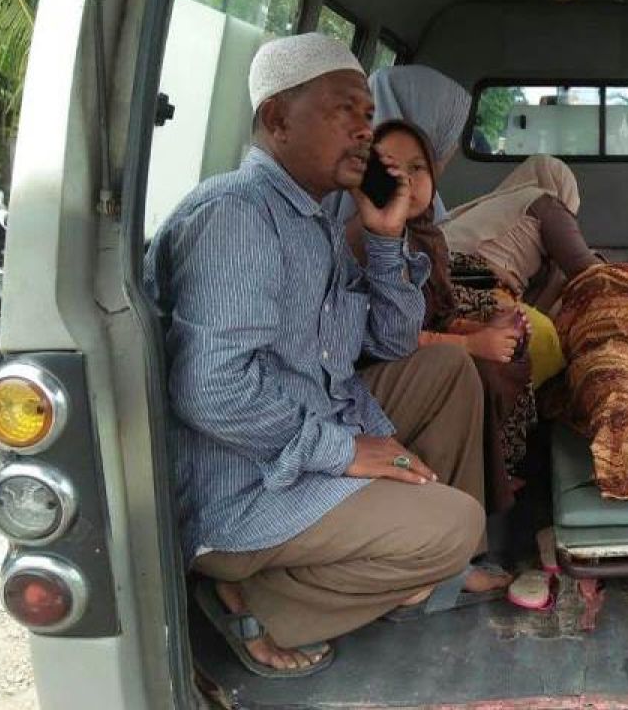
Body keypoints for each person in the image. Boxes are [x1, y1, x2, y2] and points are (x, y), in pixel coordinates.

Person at [144, 33, 509, 678]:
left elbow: (393, 342)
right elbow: (211, 389)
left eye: (369, 115)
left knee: (449, 369)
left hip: (315, 423)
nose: (366, 133)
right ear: (278, 119)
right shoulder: (238, 215)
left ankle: (436, 567)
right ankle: (256, 605)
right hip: (247, 486)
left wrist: (385, 236)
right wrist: (344, 451)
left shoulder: (312, 221)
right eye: (347, 111)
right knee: (454, 522)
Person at [348, 118, 534, 514]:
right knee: (472, 367)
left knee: (509, 356)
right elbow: (384, 337)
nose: (406, 182)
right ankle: (462, 508)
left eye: (417, 168)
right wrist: (470, 343)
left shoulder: (429, 237)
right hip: (380, 369)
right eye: (390, 170)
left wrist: (487, 328)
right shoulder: (366, 238)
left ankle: (488, 481)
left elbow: (436, 315)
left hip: (420, 349)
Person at [368, 65, 602, 308]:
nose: (455, 146)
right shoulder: (378, 201)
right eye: (449, 129)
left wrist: (485, 270)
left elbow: (429, 259)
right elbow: (411, 282)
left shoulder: (422, 206)